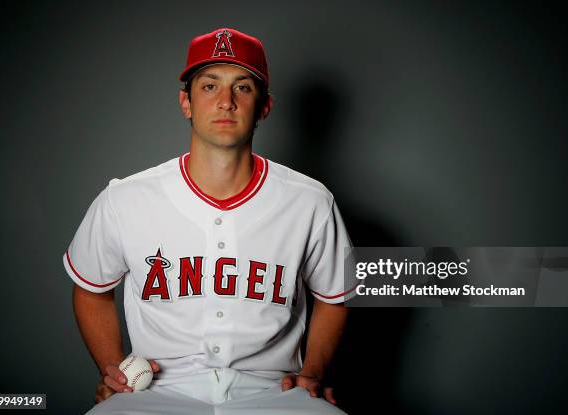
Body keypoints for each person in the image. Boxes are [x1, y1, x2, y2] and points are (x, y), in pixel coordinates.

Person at [64, 27, 355, 414]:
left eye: (243, 88)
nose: (226, 102)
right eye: (209, 86)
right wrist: (110, 368)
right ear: (186, 103)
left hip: (274, 392)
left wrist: (314, 371)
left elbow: (336, 296)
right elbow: (90, 288)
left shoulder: (310, 201)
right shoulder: (125, 199)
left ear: (264, 107)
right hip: (157, 390)